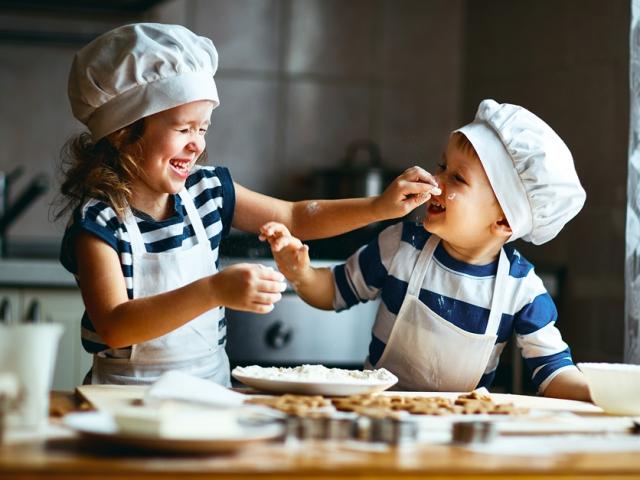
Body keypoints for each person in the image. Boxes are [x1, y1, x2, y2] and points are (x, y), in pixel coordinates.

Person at [57, 23, 441, 386]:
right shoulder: (100, 221)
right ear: (124, 132)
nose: (197, 144)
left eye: (203, 128)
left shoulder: (208, 191)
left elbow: (295, 216)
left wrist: (378, 207)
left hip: (209, 396)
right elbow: (113, 324)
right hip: (121, 405)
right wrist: (212, 291)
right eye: (183, 128)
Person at [261, 99, 592, 401]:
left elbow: (554, 373)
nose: (436, 181)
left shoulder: (522, 289)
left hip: (459, 432)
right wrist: (300, 273)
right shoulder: (401, 245)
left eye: (457, 178)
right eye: (441, 166)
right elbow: (332, 291)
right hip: (377, 418)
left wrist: (605, 393)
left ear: (505, 220)